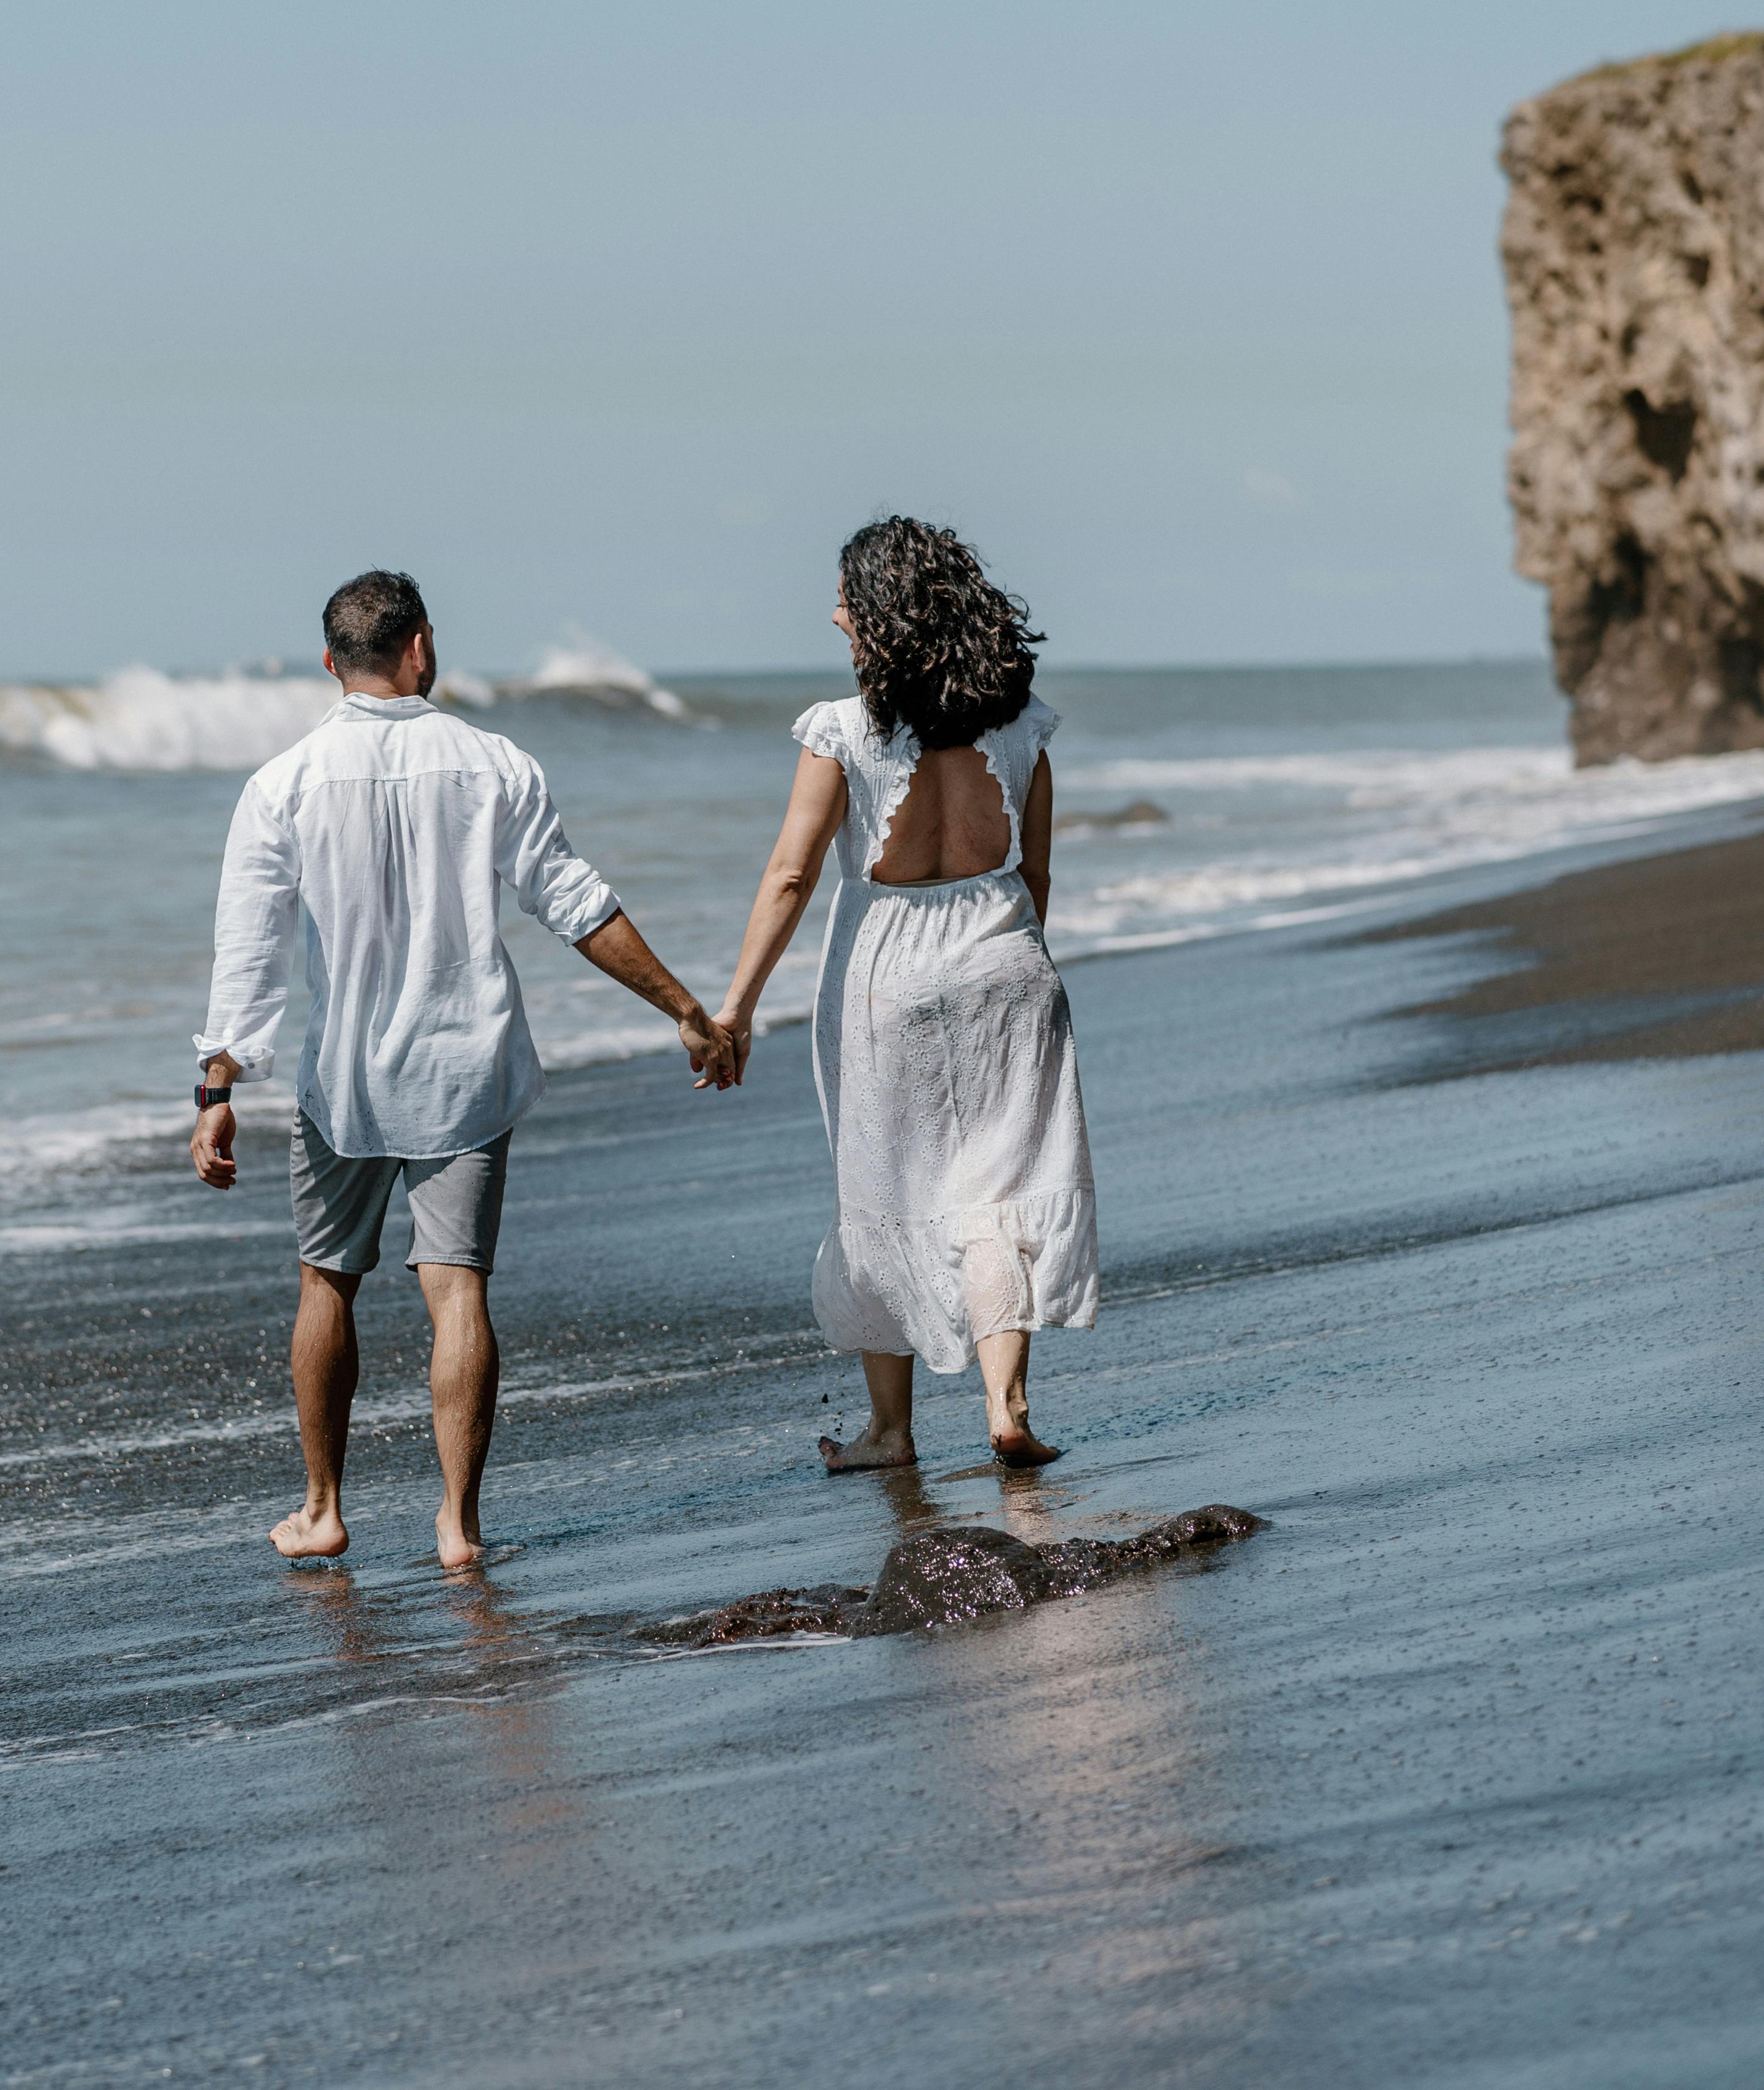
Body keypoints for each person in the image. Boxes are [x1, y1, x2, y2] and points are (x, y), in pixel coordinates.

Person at [193, 571, 739, 1567]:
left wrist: (220, 1087)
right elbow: (577, 906)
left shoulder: (284, 782)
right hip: (464, 1070)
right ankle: (458, 1524)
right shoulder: (493, 763)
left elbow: (249, 951)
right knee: (459, 1291)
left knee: (327, 1283)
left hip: (344, 1079)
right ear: (422, 648)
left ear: (330, 664)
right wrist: (688, 1013)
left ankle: (322, 1508)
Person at [711, 516, 1094, 1472]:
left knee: (883, 1188)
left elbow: (792, 878)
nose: (834, 613)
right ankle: (1007, 1406)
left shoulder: (843, 731)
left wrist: (736, 1007)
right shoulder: (1023, 722)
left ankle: (891, 1432)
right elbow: (1035, 872)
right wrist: (1017, 964)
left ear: (882, 613)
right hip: (1008, 961)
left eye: (847, 596)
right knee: (999, 1189)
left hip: (888, 969)